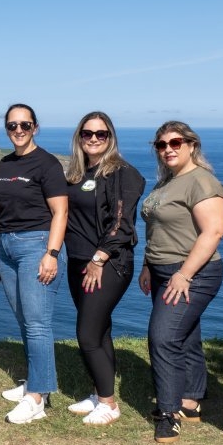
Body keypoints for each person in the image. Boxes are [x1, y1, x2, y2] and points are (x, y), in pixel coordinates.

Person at [139, 121, 223, 444]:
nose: (168, 149)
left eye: (175, 143)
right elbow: (158, 230)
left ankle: (169, 413)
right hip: (162, 270)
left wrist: (184, 274)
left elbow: (213, 231)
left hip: (194, 272)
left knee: (162, 337)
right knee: (185, 335)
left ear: (191, 145)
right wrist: (148, 265)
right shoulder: (167, 182)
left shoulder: (201, 181)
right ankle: (190, 400)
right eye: (161, 145)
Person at [63, 112, 145, 424]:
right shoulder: (78, 173)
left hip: (107, 263)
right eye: (88, 133)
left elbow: (122, 224)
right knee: (100, 330)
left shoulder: (122, 173)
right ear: (79, 137)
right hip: (77, 262)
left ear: (110, 138)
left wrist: (99, 259)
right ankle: (99, 393)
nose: (94, 139)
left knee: (86, 334)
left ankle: (109, 405)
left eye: (101, 134)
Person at [0, 104, 69, 424]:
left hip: (37, 245)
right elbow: (2, 211)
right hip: (9, 247)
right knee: (24, 320)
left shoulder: (47, 163)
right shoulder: (5, 163)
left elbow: (61, 212)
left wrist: (52, 253)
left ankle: (37, 397)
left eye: (25, 125)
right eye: (13, 125)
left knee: (38, 323)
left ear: (35, 127)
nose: (19, 130)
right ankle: (35, 382)